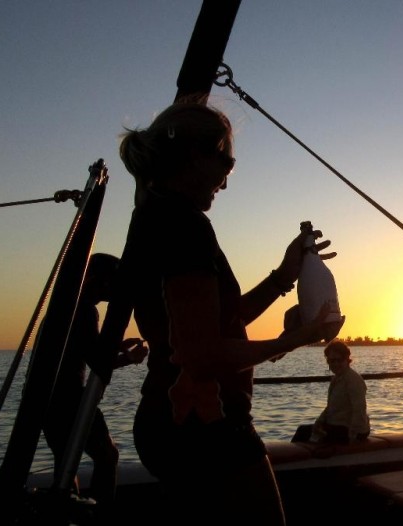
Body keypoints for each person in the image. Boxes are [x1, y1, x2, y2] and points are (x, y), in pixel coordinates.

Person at [116, 101, 343, 524]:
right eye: (227, 159)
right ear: (193, 156)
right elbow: (202, 356)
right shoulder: (184, 226)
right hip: (205, 431)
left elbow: (219, 321)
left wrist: (282, 277)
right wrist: (298, 337)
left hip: (175, 425)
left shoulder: (154, 214)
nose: (227, 177)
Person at [42, 252, 148, 506]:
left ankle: (67, 509)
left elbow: (84, 347)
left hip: (47, 400)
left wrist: (117, 345)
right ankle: (99, 515)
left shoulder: (66, 307)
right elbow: (98, 361)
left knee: (65, 459)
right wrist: (131, 358)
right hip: (70, 400)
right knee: (107, 456)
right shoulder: (86, 311)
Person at [292, 340, 370, 444]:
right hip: (336, 426)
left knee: (305, 434)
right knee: (303, 430)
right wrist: (319, 422)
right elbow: (332, 407)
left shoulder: (354, 380)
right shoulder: (337, 379)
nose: (336, 364)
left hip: (350, 430)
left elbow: (359, 409)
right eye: (332, 361)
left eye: (339, 360)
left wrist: (353, 436)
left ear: (347, 359)